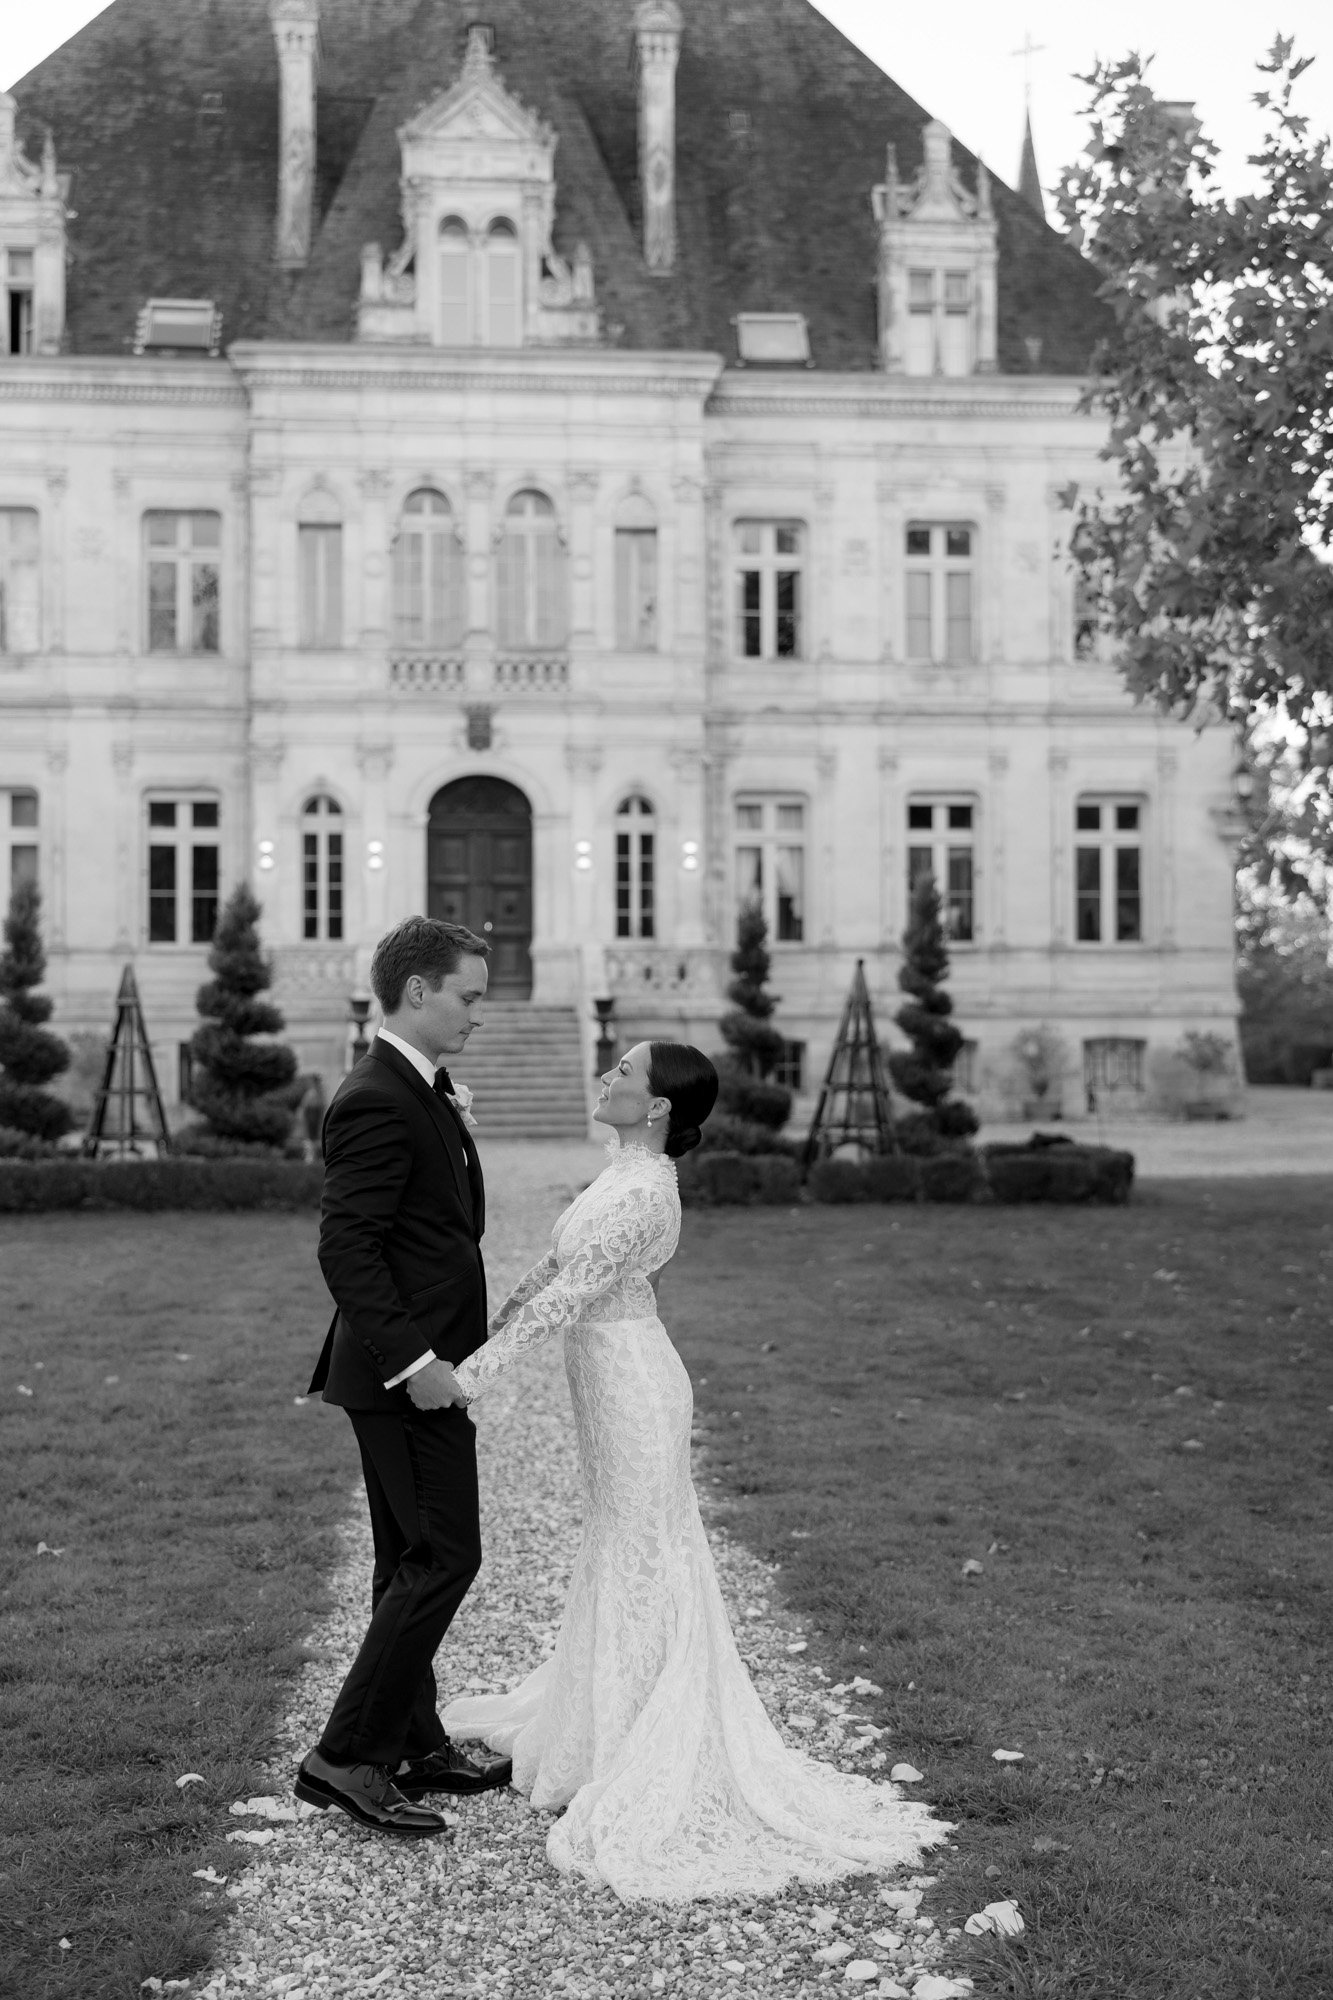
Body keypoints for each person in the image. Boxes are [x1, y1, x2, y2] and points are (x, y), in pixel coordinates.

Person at [443, 1041, 950, 1902]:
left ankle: (646, 1738)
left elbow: (579, 1295)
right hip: (604, 1383)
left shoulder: (646, 1192)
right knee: (616, 1544)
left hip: (635, 1387)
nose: (607, 1080)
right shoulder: (618, 1169)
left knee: (647, 1550)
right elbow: (557, 1268)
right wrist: (496, 1313)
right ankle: (604, 1719)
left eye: (624, 1077)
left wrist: (470, 1377)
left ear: (659, 1108)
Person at [294, 917, 510, 1838]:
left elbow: (445, 1229)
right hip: (403, 1375)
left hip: (421, 1366)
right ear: (417, 991)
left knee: (406, 1559)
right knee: (444, 1557)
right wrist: (417, 1363)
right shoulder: (377, 1096)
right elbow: (347, 1249)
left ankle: (417, 1740)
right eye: (467, 997)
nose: (477, 1016)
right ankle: (348, 1756)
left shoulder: (421, 1085)